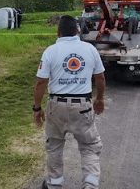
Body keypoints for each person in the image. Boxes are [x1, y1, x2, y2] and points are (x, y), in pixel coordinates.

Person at [33, 15, 106, 189]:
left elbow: (40, 82)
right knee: (89, 145)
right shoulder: (90, 49)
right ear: (78, 31)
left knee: (54, 145)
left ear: (58, 32)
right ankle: (90, 184)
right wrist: (100, 99)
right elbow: (100, 77)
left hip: (56, 106)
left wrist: (37, 108)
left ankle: (54, 184)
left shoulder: (50, 51)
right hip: (83, 107)